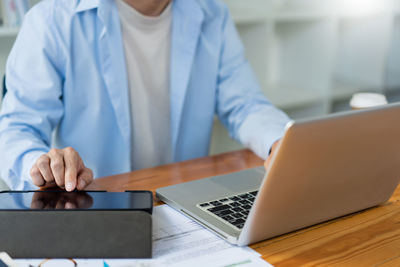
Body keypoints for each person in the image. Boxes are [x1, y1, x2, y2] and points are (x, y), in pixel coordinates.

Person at [0, 0, 290, 191]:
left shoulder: (212, 13)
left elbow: (245, 103)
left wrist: (281, 142)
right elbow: (17, 129)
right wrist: (42, 165)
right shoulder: (52, 19)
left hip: (185, 201)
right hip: (96, 203)